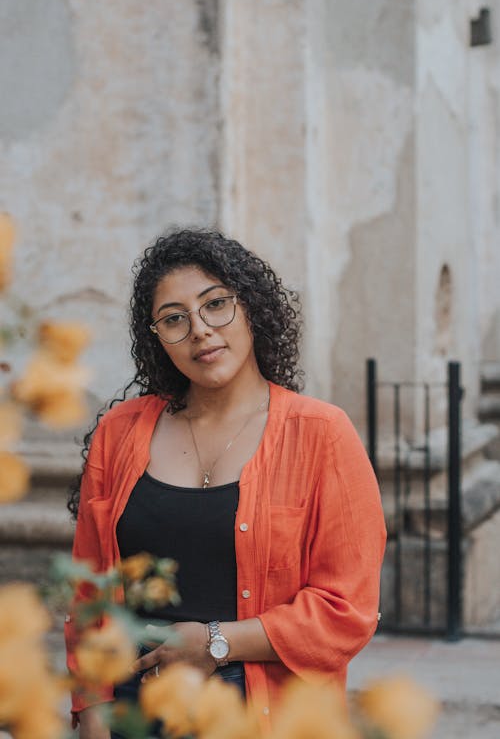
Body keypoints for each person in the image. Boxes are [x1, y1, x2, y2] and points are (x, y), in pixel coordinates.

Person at [65, 228, 386, 739]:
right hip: (133, 711)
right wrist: (94, 714)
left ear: (251, 307)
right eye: (174, 318)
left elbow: (346, 612)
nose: (200, 329)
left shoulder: (322, 434)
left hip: (261, 714)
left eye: (216, 304)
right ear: (156, 336)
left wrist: (217, 642)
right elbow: (91, 595)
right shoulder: (119, 433)